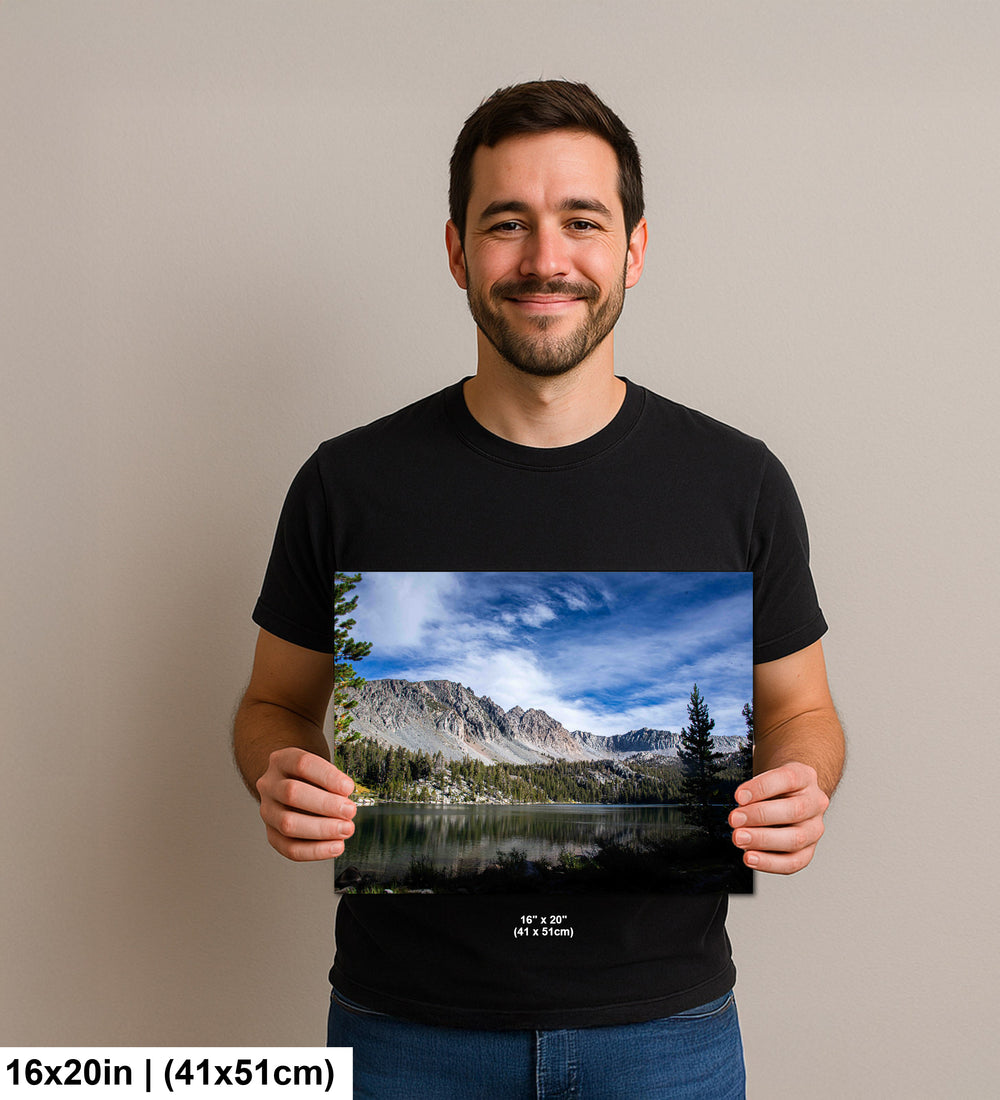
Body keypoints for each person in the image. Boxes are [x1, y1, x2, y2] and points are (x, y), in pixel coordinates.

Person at [233, 79, 845, 1099]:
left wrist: (799, 783)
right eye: (506, 222)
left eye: (580, 221)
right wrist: (280, 769)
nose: (544, 257)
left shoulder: (738, 482)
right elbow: (270, 704)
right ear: (455, 250)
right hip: (404, 1035)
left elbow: (803, 712)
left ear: (634, 250)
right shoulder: (348, 482)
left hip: (666, 1033)